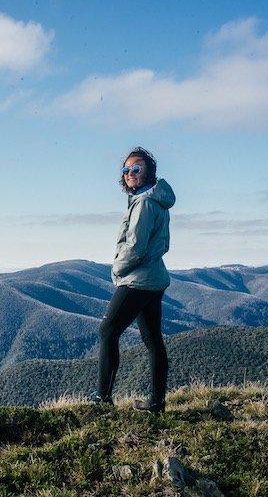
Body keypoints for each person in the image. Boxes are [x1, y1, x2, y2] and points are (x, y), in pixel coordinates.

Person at [89, 147, 176, 413]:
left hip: (137, 279)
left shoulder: (145, 203)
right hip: (155, 278)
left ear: (148, 171)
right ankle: (156, 402)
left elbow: (135, 247)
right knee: (153, 341)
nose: (130, 174)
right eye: (126, 170)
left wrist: (117, 269)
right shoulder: (155, 200)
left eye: (136, 169)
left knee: (107, 332)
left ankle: (102, 400)